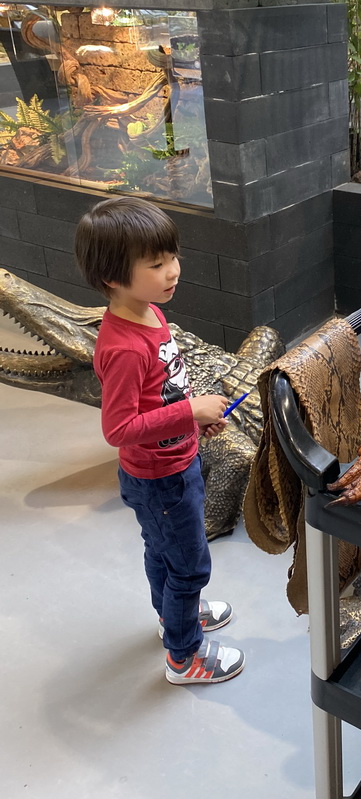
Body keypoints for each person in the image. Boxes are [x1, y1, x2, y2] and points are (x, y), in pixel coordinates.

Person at [74, 197, 245, 685]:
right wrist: (188, 411)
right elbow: (119, 429)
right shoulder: (124, 348)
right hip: (159, 478)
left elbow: (161, 396)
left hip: (175, 460)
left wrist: (189, 422)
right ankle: (183, 656)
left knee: (161, 552)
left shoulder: (150, 312)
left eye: (172, 257)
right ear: (112, 277)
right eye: (156, 264)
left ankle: (174, 617)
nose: (172, 271)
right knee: (189, 566)